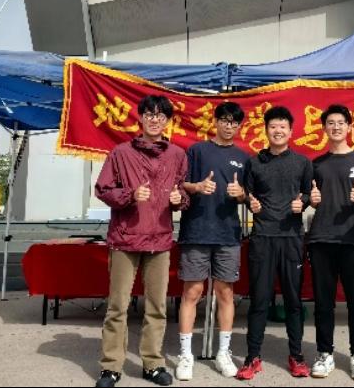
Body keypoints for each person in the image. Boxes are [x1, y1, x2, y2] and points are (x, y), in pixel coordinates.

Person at [94, 95, 190, 388]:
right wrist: (130, 195)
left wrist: (179, 199)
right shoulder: (120, 153)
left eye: (160, 116)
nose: (154, 120)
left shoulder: (177, 155)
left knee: (157, 306)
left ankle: (153, 364)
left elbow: (183, 194)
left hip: (159, 239)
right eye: (149, 114)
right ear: (140, 118)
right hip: (125, 239)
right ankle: (111, 367)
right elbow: (103, 189)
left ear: (167, 121)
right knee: (117, 306)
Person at [236, 106, 313, 380]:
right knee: (259, 300)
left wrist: (303, 203)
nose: (278, 131)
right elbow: (245, 194)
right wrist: (250, 202)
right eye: (273, 126)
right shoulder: (254, 163)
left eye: (283, 126)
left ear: (291, 131)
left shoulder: (303, 163)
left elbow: (309, 193)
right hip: (262, 238)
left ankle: (297, 356)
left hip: (291, 238)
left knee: (293, 300)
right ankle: (252, 357)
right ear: (266, 130)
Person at [175, 102, 249, 380]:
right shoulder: (196, 151)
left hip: (227, 234)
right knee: (192, 292)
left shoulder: (244, 158)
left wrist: (240, 194)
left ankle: (223, 352)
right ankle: (185, 355)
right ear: (215, 121)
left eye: (235, 122)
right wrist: (197, 187)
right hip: (196, 230)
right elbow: (181, 184)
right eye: (225, 120)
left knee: (225, 293)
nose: (229, 126)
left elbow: (248, 196)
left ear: (239, 126)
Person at [307, 104, 354, 380]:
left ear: (349, 127)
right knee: (324, 302)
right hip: (322, 239)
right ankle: (325, 353)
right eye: (330, 123)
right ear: (324, 128)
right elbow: (307, 198)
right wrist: (311, 201)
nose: (335, 127)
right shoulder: (316, 164)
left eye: (340, 123)